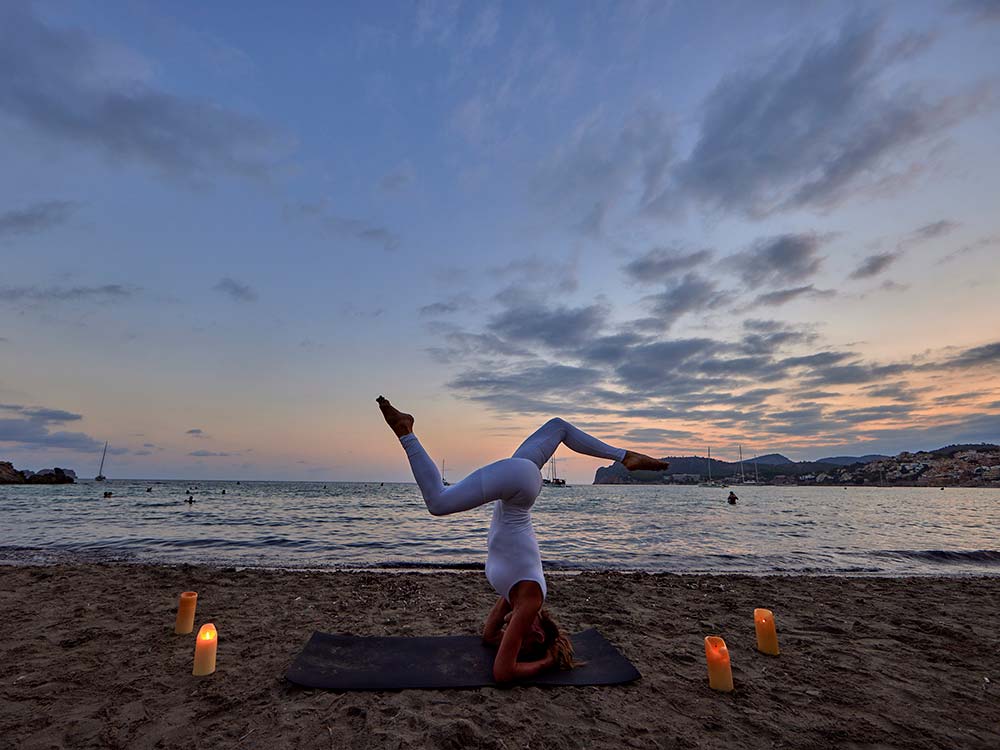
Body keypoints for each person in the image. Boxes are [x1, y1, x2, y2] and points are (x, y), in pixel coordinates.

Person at [376, 395, 669, 683]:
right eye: (521, 642)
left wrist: (510, 638)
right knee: (438, 502)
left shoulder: (516, 597)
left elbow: (489, 636)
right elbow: (503, 673)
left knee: (558, 427)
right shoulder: (530, 601)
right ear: (538, 634)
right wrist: (547, 662)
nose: (510, 635)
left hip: (520, 484)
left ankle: (624, 456)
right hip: (518, 486)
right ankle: (406, 431)